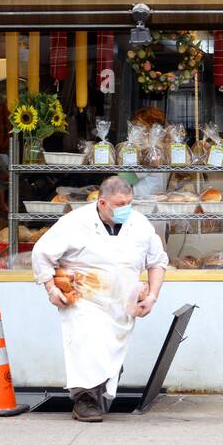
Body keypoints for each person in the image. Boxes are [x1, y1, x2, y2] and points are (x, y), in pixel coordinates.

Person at [31, 175, 168, 422]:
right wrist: (51, 289)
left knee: (108, 351)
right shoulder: (74, 223)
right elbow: (42, 254)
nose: (125, 208)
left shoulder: (140, 224)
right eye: (119, 204)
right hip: (84, 299)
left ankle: (101, 388)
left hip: (122, 305)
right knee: (87, 346)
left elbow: (157, 261)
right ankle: (84, 400)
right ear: (102, 203)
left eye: (129, 202)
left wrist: (153, 296)